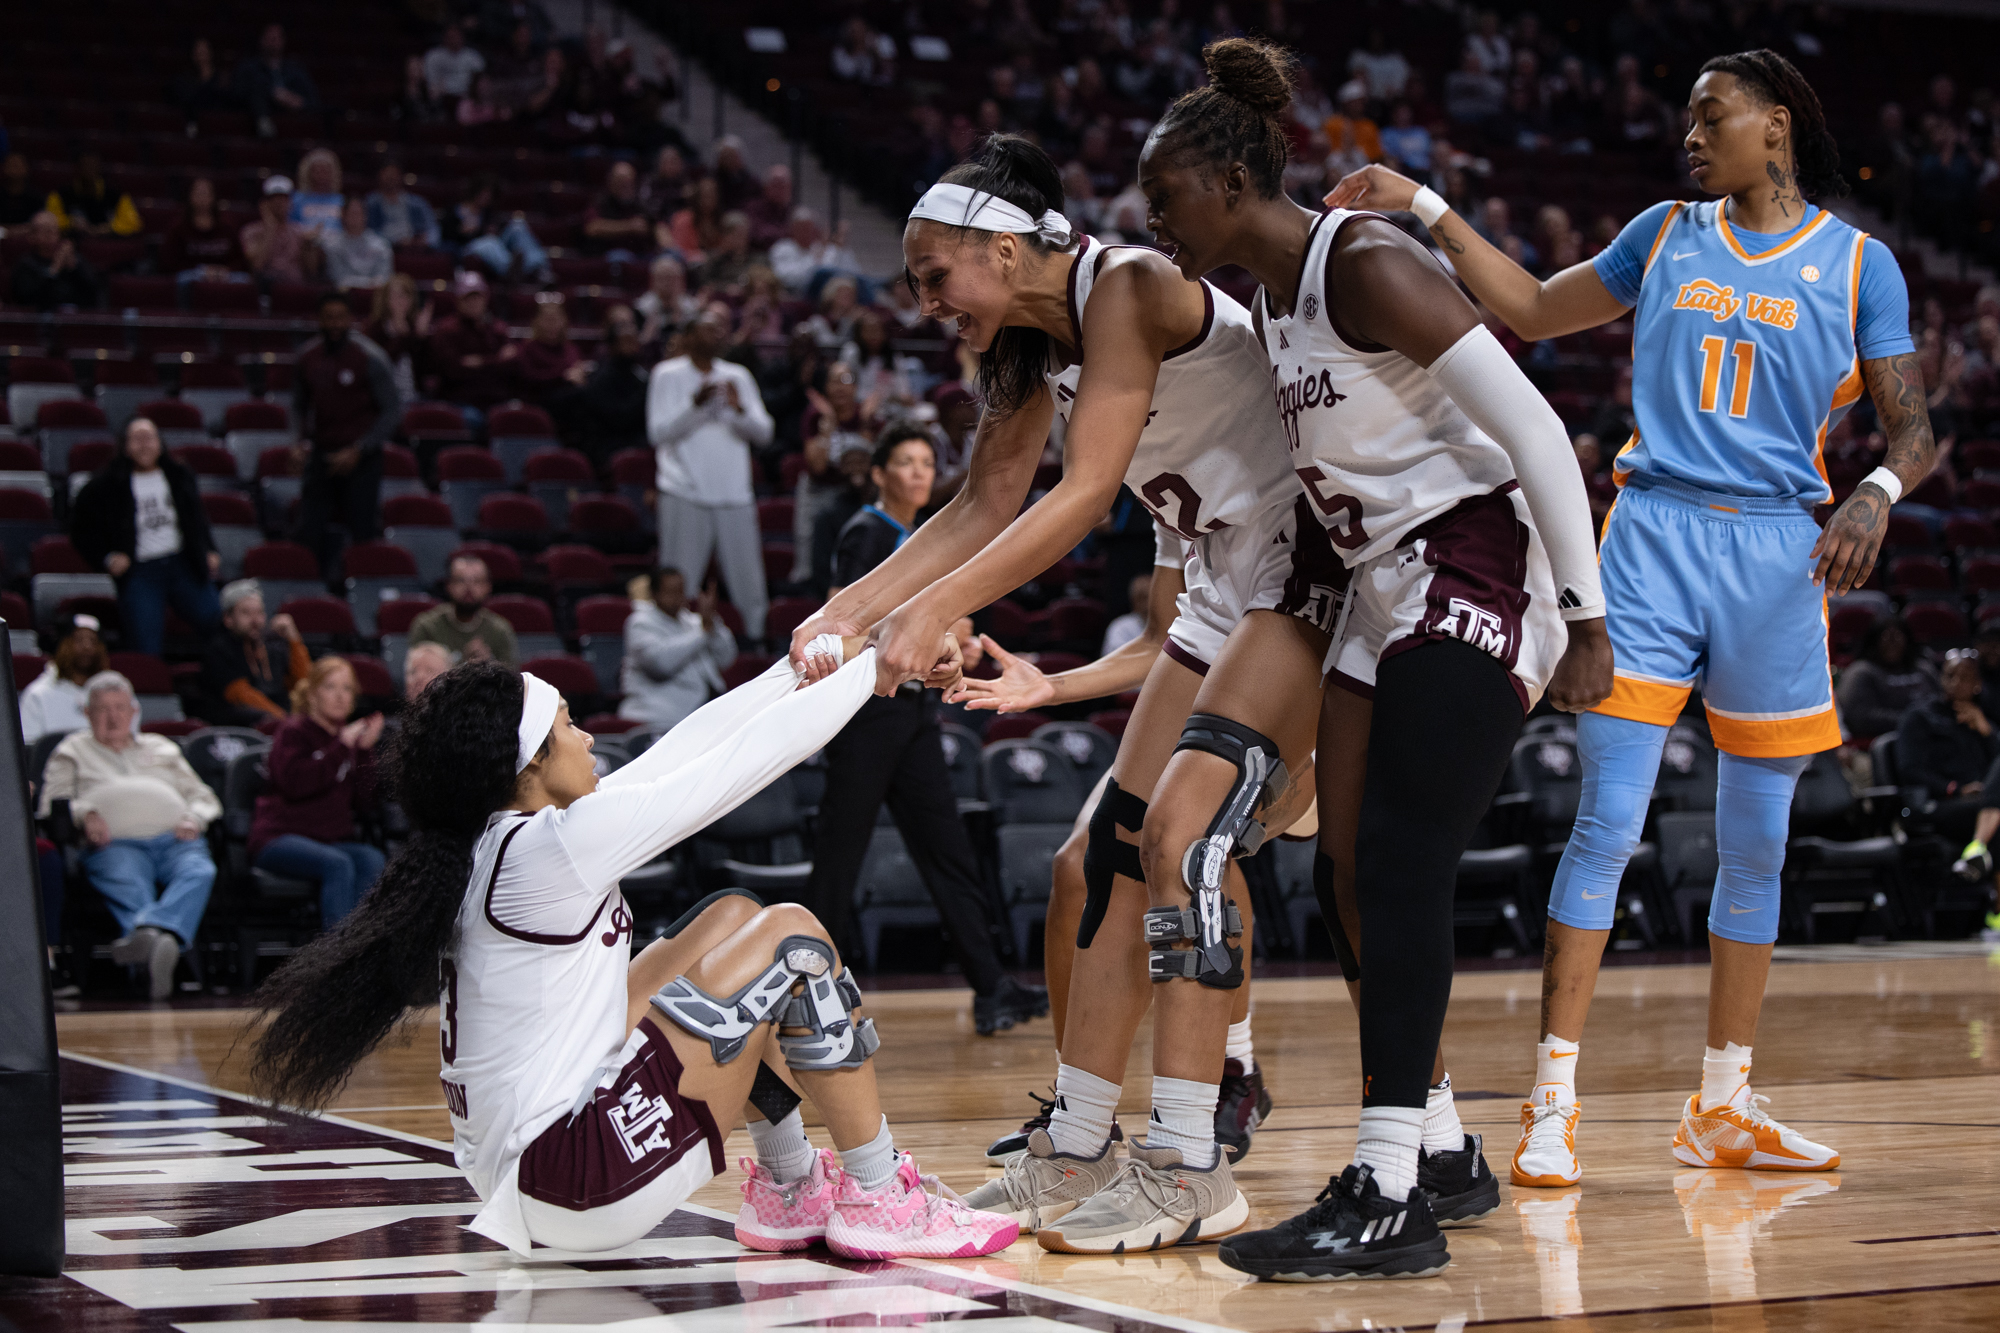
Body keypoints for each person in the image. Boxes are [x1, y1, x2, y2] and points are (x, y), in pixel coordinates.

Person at [1325, 48, 1935, 1205]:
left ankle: (1721, 1100)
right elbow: (1526, 310)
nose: (1690, 135)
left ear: (1775, 128)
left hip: (1776, 551)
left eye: (1712, 117)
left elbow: (1907, 429)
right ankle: (1551, 1099)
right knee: (1606, 820)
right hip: (1649, 532)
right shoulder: (1663, 232)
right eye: (1686, 118)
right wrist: (1426, 208)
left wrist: (1876, 493)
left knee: (1754, 838)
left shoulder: (1860, 267)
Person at [789, 130, 1348, 1256]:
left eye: (934, 275)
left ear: (1001, 248)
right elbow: (980, 502)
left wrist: (933, 613)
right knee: (1087, 865)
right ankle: (1082, 1139)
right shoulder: (1030, 347)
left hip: (1301, 566)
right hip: (1215, 583)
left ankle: (1195, 1155)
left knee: (1182, 850)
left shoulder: (1130, 285)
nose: (925, 303)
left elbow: (1087, 491)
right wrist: (844, 612)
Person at [1107, 38, 1609, 1280]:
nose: (1148, 218)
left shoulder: (1367, 262)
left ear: (1228, 179)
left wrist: (1585, 615)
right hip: (1377, 587)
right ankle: (1436, 1149)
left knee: (1395, 854)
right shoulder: (1270, 304)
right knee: (1336, 869)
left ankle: (1384, 1187)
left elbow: (1535, 425)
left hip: (1478, 559)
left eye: (1162, 194)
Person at [240, 640, 1019, 1259]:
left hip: (531, 1170)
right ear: (530, 764)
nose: (588, 736)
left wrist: (797, 668)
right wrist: (873, 670)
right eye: (570, 725)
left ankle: (788, 1188)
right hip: (573, 1176)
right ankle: (882, 1195)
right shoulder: (551, 848)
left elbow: (687, 746)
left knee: (732, 919)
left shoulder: (496, 839)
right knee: (794, 938)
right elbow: (730, 769)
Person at [805, 426, 1048, 1033]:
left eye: (924, 462)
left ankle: (992, 988)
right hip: (867, 713)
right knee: (841, 856)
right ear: (880, 473)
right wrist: (940, 624)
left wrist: (950, 627)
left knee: (948, 851)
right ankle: (797, 992)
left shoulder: (922, 538)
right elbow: (848, 610)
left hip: (911, 713)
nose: (916, 471)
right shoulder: (868, 531)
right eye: (903, 461)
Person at [38, 672, 220, 1000]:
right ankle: (159, 944)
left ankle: (148, 939)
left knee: (200, 871)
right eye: (103, 709)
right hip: (114, 843)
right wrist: (84, 814)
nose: (113, 716)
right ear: (87, 714)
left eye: (120, 707)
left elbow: (204, 797)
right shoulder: (72, 750)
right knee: (129, 881)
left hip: (175, 840)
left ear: (134, 711)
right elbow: (53, 805)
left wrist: (195, 817)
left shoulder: (162, 746)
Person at [647, 302, 774, 642]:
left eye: (718, 330)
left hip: (735, 493)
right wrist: (695, 406)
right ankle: (671, 641)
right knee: (679, 580)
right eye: (705, 329)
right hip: (684, 491)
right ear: (687, 336)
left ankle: (757, 644)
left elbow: (764, 432)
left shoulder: (738, 376)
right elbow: (658, 433)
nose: (714, 335)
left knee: (749, 581)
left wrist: (739, 408)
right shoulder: (667, 375)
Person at [250, 657, 385, 928]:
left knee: (372, 859)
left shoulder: (347, 741)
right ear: (312, 694)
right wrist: (341, 747)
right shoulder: (293, 732)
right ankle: (335, 959)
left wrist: (363, 751)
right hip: (280, 837)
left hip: (330, 840)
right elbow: (295, 785)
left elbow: (365, 804)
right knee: (337, 864)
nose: (340, 696)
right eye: (330, 687)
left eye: (347, 689)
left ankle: (365, 949)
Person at [70, 417, 222, 656]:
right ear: (125, 446)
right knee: (144, 644)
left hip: (182, 563)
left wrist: (209, 549)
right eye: (137, 439)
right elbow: (80, 529)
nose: (144, 445)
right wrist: (106, 558)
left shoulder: (179, 474)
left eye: (149, 438)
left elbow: (197, 518)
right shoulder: (107, 483)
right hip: (141, 570)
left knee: (217, 623)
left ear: (159, 443)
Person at [294, 291, 399, 565]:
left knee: (362, 533)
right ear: (319, 320)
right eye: (329, 318)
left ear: (350, 319)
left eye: (340, 318)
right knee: (309, 532)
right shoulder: (307, 357)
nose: (335, 324)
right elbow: (298, 406)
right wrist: (298, 442)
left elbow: (391, 411)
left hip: (362, 460)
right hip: (322, 455)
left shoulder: (370, 357)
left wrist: (360, 449)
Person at [617, 567, 735, 731]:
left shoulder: (693, 621)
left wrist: (713, 621)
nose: (677, 597)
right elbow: (660, 664)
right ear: (654, 593)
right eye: (670, 592)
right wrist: (702, 633)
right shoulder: (640, 623)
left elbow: (726, 658)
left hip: (703, 713)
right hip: (657, 715)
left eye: (680, 591)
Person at [201, 580, 310, 726]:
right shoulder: (219, 650)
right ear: (228, 619)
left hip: (281, 721)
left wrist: (294, 639)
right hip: (241, 727)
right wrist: (285, 720)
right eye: (246, 613)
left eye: (259, 612)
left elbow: (303, 684)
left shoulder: (273, 645)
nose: (255, 620)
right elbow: (242, 696)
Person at [1836, 618, 1936, 742]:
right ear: (1875, 641)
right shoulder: (1861, 672)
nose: (1892, 644)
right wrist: (1913, 720)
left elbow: (1942, 701)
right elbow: (1860, 718)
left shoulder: (1923, 669)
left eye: (1897, 637)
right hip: (1880, 742)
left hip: (1931, 735)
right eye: (1886, 638)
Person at [428, 270, 514, 411]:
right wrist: (497, 359)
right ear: (458, 301)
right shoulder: (446, 330)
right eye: (467, 298)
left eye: (477, 297)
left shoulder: (498, 329)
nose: (473, 303)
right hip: (459, 400)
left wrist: (480, 362)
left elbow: (511, 364)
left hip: (498, 399)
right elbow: (453, 370)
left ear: (486, 298)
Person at [410, 554, 518, 665]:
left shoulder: (499, 630)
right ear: (449, 585)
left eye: (477, 581)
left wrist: (488, 665)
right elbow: (420, 676)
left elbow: (512, 677)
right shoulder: (428, 627)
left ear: (488, 587)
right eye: (460, 580)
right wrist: (464, 663)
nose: (469, 587)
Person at [19, 613, 110, 744]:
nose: (86, 647)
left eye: (93, 641)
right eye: (78, 640)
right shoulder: (38, 695)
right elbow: (29, 752)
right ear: (62, 645)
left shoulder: (117, 695)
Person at [578, 305, 652, 464]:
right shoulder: (601, 379)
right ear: (613, 345)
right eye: (626, 341)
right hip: (609, 447)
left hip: (637, 442)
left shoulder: (641, 375)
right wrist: (645, 391)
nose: (632, 345)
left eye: (634, 340)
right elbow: (619, 419)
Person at [235, 22, 320, 134]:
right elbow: (237, 95)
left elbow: (313, 100)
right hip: (259, 123)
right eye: (270, 37)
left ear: (283, 41)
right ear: (262, 40)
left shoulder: (295, 69)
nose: (273, 41)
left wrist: (297, 101)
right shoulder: (249, 68)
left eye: (276, 37)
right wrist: (273, 94)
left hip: (294, 123)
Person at [10, 211, 102, 310]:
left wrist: (75, 267)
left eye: (55, 230)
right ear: (32, 236)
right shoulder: (26, 265)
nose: (51, 235)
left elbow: (95, 294)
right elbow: (28, 299)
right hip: (40, 321)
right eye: (46, 231)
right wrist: (55, 269)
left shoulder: (74, 259)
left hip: (75, 320)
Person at [366, 274, 433, 405]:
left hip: (414, 396)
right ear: (385, 299)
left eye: (405, 296)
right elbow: (380, 365)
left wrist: (421, 338)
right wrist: (403, 337)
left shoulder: (416, 328)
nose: (400, 301)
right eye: (395, 296)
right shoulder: (374, 328)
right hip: (381, 399)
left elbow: (428, 370)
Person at [159, 177, 243, 282]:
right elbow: (169, 262)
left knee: (243, 280)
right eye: (198, 193)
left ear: (214, 196)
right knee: (183, 279)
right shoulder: (178, 228)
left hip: (223, 274)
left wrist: (225, 269)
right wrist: (202, 271)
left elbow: (240, 260)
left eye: (206, 193)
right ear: (190, 196)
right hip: (191, 274)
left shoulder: (227, 227)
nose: (202, 198)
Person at [240, 176, 318, 283]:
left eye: (284, 198)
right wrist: (270, 228)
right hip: (265, 288)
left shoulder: (300, 231)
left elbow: (312, 271)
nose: (279, 203)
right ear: (264, 203)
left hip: (295, 287)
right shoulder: (250, 231)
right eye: (274, 199)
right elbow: (257, 265)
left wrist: (308, 246)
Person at [46, 152, 142, 237]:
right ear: (77, 168)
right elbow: (48, 221)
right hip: (74, 244)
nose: (89, 170)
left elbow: (134, 224)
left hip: (108, 245)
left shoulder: (116, 193)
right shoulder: (61, 193)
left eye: (93, 166)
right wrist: (71, 222)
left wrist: (108, 228)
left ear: (99, 168)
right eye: (85, 165)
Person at [581, 159, 651, 257]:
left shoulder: (639, 204)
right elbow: (592, 227)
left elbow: (655, 225)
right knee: (619, 256)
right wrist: (630, 226)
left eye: (630, 181)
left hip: (640, 255)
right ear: (611, 182)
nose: (627, 185)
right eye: (621, 181)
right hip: (607, 255)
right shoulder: (601, 202)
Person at [365, 163, 442, 249]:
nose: (390, 178)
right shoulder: (370, 204)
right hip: (380, 249)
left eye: (393, 174)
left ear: (400, 176)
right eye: (387, 174)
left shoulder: (418, 204)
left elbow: (433, 229)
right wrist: (394, 241)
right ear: (379, 176)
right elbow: (365, 233)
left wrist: (422, 241)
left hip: (414, 250)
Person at [322, 197, 394, 288]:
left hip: (376, 295)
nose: (355, 218)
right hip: (345, 296)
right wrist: (370, 282)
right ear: (343, 215)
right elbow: (339, 278)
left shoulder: (381, 245)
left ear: (365, 216)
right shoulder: (332, 246)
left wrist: (368, 283)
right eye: (352, 213)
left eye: (358, 213)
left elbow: (384, 277)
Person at [425, 22, 486, 101]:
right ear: (445, 37)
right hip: (441, 97)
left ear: (462, 37)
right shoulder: (434, 55)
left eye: (456, 36)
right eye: (450, 36)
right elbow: (430, 80)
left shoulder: (473, 56)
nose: (453, 39)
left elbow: (481, 79)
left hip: (467, 98)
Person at [1101, 573, 1152, 655]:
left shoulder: (1171, 625)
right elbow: (1117, 660)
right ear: (1134, 600)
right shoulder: (1121, 627)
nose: (1147, 603)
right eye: (1142, 597)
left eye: (1151, 597)